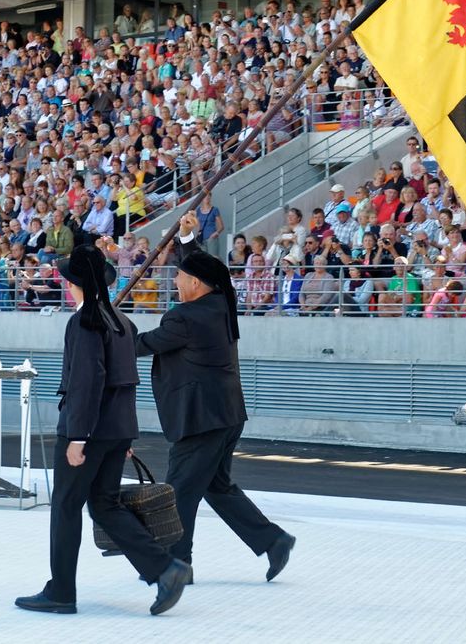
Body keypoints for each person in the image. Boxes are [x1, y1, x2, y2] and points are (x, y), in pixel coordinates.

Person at [16, 242, 191, 616]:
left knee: (65, 507)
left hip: (88, 431)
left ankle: (62, 591)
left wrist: (77, 438)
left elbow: (86, 383)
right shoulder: (122, 322)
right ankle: (164, 569)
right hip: (116, 430)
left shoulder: (84, 322)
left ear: (73, 284)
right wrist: (123, 437)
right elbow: (125, 380)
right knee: (105, 505)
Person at [134, 212, 296, 581]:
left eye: (179, 275)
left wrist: (108, 334)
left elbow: (142, 344)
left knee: (179, 491)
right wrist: (188, 240)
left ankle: (176, 565)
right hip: (226, 415)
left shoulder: (185, 318)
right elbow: (216, 273)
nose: (175, 280)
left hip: (201, 420)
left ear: (195, 283)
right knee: (216, 486)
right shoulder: (222, 302)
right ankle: (273, 541)